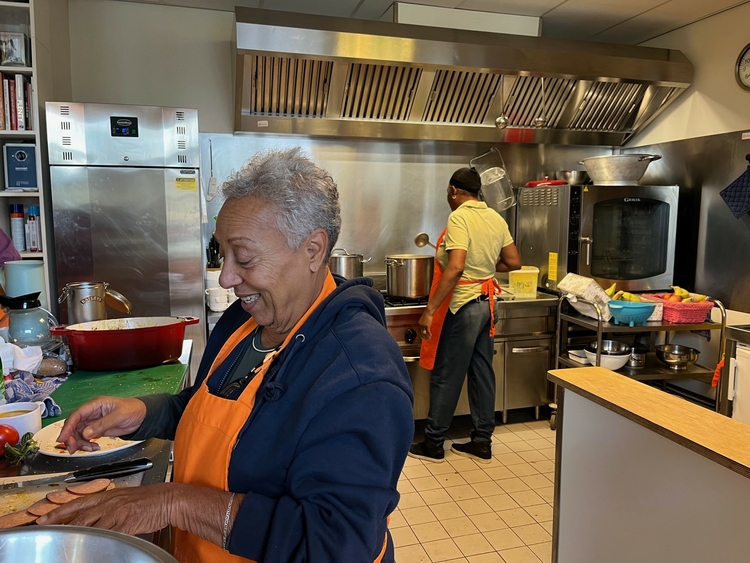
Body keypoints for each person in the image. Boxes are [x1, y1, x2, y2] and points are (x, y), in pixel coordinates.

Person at [40, 148, 415, 563]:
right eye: (222, 254)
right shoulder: (244, 319)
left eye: (245, 257)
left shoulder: (359, 373)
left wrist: (173, 503)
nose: (227, 277)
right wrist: (142, 413)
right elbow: (214, 409)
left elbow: (333, 543)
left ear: (312, 250)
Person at [408, 167, 521, 464]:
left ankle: (433, 443)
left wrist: (429, 310)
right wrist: (484, 270)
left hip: (465, 305)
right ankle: (482, 441)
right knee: (482, 371)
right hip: (487, 303)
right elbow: (513, 261)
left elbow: (456, 267)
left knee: (447, 374)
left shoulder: (459, 217)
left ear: (455, 192)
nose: (448, 197)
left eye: (448, 192)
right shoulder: (495, 217)